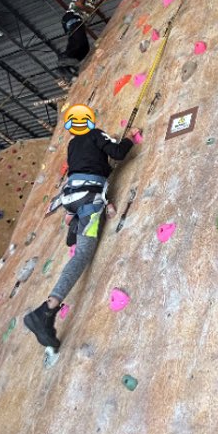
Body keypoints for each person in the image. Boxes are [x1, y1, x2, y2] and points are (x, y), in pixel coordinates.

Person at [23, 123, 141, 350]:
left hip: (72, 197)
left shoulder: (74, 144)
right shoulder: (97, 134)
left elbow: (97, 168)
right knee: (82, 254)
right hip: (88, 199)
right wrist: (128, 138)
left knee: (85, 223)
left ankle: (75, 225)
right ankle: (47, 309)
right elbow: (118, 152)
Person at [56, 0, 101, 80]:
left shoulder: (95, 0)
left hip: (76, 22)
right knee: (78, 41)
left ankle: (65, 69)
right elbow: (79, 4)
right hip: (73, 18)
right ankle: (64, 58)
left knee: (84, 47)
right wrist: (90, 10)